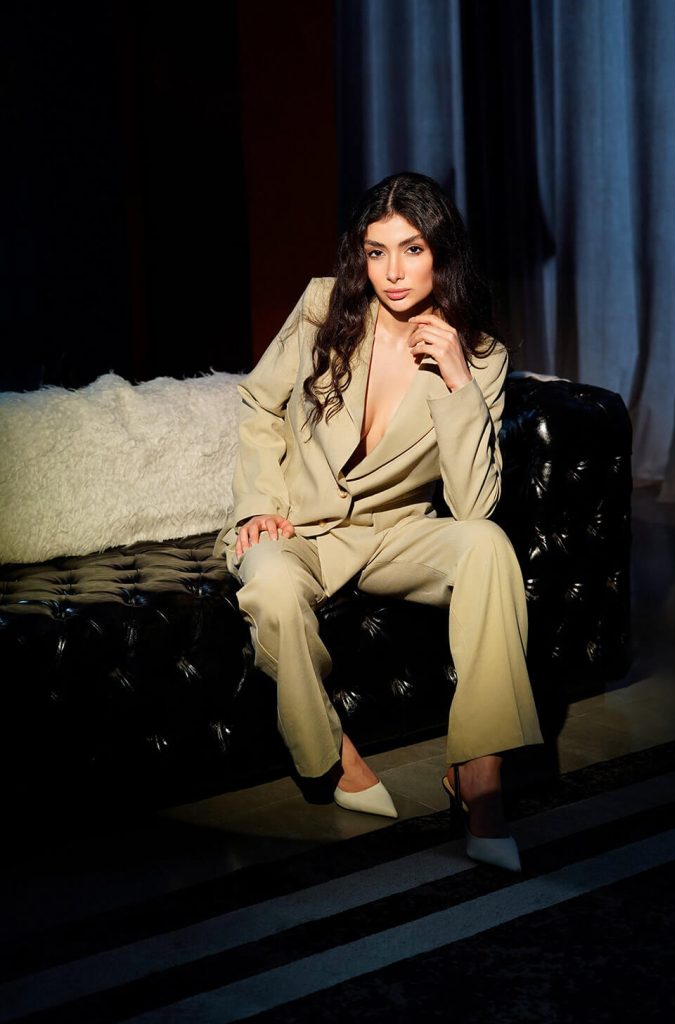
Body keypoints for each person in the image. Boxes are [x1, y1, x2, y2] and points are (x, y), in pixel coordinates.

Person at [214, 172, 543, 872]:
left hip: (395, 534)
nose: (392, 272)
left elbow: (474, 506)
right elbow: (258, 404)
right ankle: (329, 750)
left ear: (441, 253)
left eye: (411, 249)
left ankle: (479, 776)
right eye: (376, 251)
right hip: (298, 529)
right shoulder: (321, 308)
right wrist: (258, 504)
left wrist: (457, 380)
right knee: (269, 585)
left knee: (487, 546)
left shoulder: (480, 357)